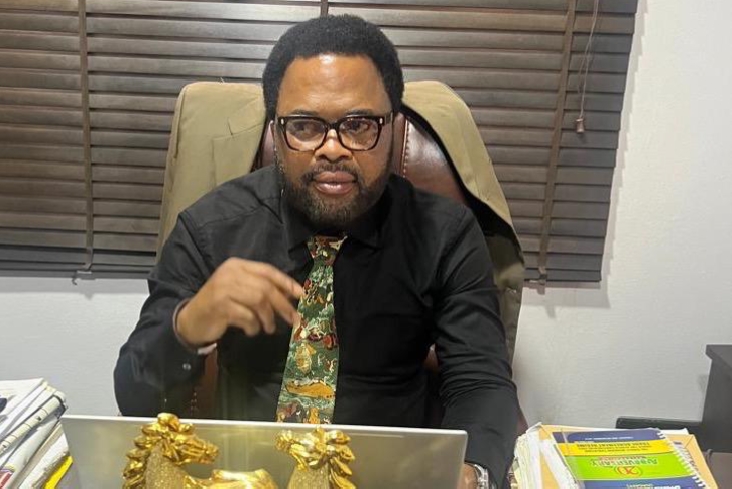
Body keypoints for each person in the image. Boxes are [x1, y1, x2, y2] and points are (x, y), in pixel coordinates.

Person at [114, 14, 518, 489]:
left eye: (359, 124)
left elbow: (480, 381)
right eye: (305, 126)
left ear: (393, 126)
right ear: (275, 130)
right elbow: (134, 399)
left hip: (385, 476)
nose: (333, 148)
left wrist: (474, 473)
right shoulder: (210, 229)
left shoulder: (445, 234)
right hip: (245, 475)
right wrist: (187, 326)